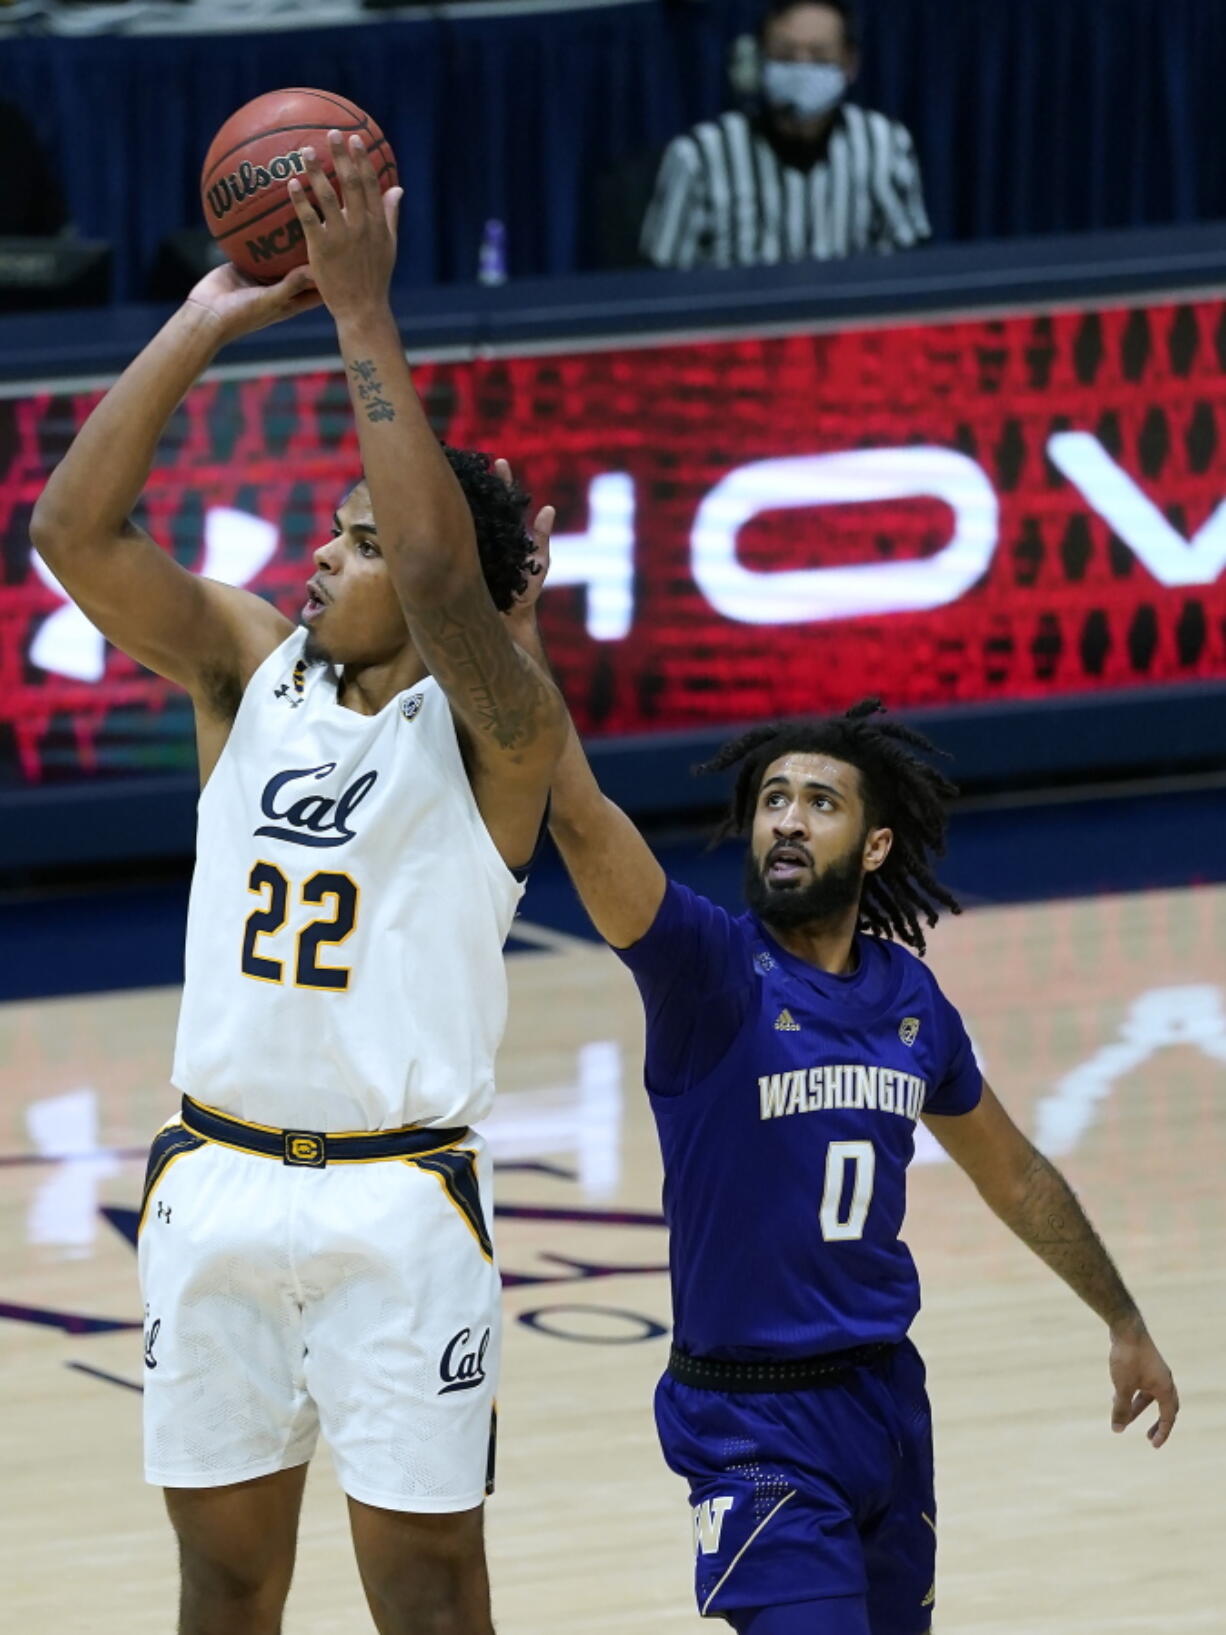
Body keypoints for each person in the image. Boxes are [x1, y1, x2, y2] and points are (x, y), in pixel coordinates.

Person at [30, 134, 566, 1635]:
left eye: (362, 537)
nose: (325, 557)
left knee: (427, 1592)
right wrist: (208, 317)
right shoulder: (248, 668)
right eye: (330, 529)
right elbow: (72, 534)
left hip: (395, 1202)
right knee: (220, 1581)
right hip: (212, 1178)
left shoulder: (499, 731)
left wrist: (359, 316)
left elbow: (454, 591)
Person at [504, 530, 1179, 1635]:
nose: (783, 818)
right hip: (750, 1422)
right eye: (772, 798)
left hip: (882, 1401)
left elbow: (1010, 1174)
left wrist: (1120, 1316)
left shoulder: (911, 1001)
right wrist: (523, 633)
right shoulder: (706, 971)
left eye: (818, 803)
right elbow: (577, 812)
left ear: (871, 847)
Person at [641, 0, 929, 271]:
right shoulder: (698, 157)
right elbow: (662, 283)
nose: (802, 67)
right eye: (785, 54)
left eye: (819, 55)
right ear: (760, 58)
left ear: (849, 63)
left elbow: (906, 267)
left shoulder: (885, 145)